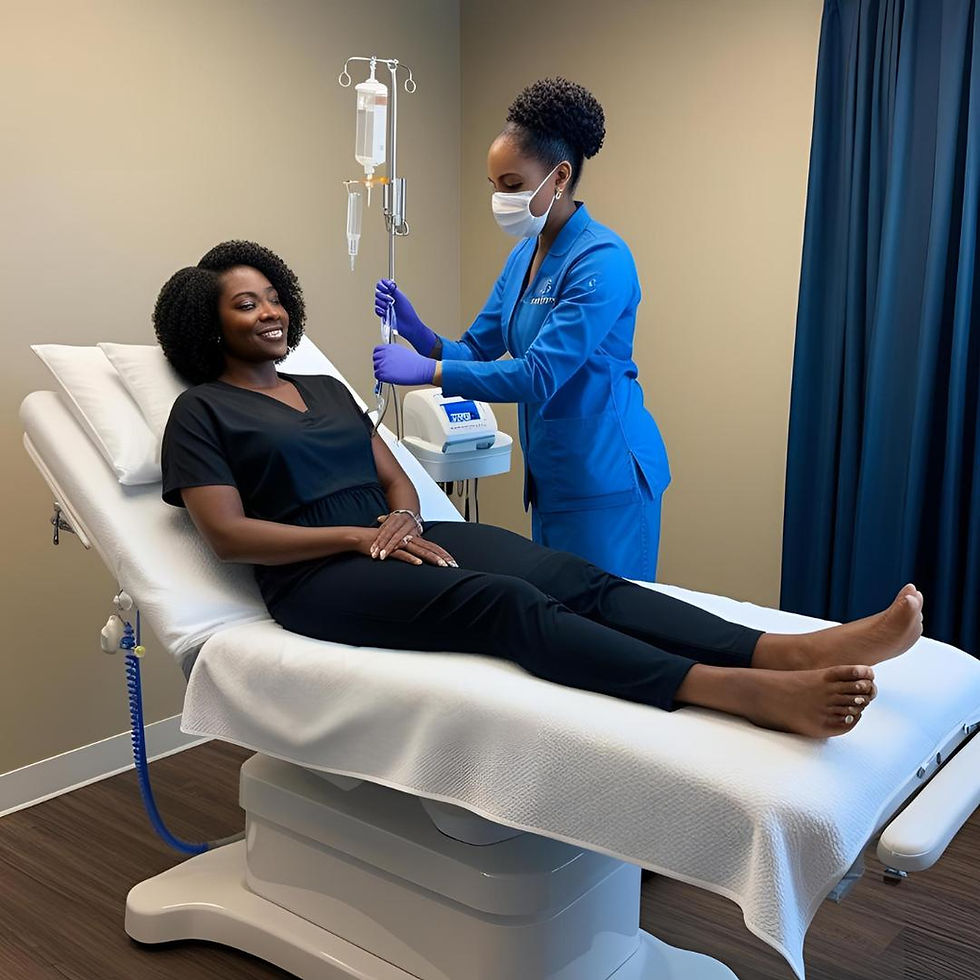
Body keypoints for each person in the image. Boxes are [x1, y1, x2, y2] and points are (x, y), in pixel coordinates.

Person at [155, 240, 924, 740]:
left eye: (273, 296)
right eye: (246, 303)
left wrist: (401, 516)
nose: (271, 311)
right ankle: (737, 691)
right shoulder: (202, 412)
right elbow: (227, 535)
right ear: (208, 326)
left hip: (401, 536)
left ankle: (786, 650)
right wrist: (360, 537)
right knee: (507, 604)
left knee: (571, 575)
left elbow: (392, 472)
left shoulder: (324, 388)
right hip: (317, 576)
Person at [372, 77, 670, 580]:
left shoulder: (602, 259)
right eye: (494, 186)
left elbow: (538, 375)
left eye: (512, 185)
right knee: (558, 609)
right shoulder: (524, 256)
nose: (499, 198)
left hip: (605, 478)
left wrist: (428, 371)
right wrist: (421, 336)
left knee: (608, 615)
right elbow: (477, 347)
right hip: (551, 480)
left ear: (559, 177)